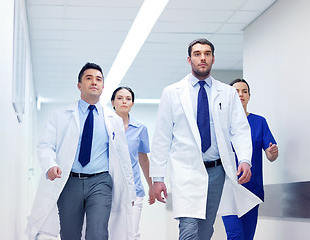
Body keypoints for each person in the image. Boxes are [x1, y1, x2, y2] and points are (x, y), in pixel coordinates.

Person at [150, 38, 262, 240]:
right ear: (189, 59)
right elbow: (161, 138)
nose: (202, 58)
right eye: (197, 53)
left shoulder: (227, 93)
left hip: (217, 171)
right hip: (187, 169)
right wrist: (157, 179)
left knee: (205, 229)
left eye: (207, 54)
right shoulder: (172, 93)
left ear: (213, 59)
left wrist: (245, 159)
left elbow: (240, 130)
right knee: (189, 227)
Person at [25, 62, 136, 240]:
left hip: (101, 182)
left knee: (98, 232)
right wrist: (50, 165)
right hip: (70, 181)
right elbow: (45, 145)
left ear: (103, 86)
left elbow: (123, 159)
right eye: (89, 78)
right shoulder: (61, 115)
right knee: (69, 234)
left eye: (98, 79)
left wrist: (130, 192)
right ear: (79, 85)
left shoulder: (112, 120)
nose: (94, 82)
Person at [222, 78, 279, 240]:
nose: (240, 94)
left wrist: (273, 152)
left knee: (247, 237)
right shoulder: (222, 123)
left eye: (244, 91)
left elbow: (270, 155)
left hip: (251, 189)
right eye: (236, 91)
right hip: (229, 188)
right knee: (235, 235)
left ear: (249, 96)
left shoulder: (259, 122)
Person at [110, 86, 156, 239]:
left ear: (132, 103)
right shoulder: (106, 126)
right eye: (120, 98)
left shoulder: (140, 128)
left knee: (132, 233)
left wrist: (151, 185)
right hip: (109, 188)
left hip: (134, 190)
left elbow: (143, 159)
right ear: (113, 102)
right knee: (110, 233)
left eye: (128, 98)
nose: (124, 101)